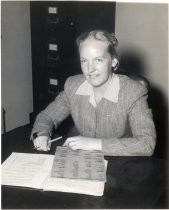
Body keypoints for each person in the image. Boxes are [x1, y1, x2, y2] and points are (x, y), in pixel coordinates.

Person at [31, 30, 156, 156]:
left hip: (121, 164)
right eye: (84, 61)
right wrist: (42, 134)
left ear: (113, 61)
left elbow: (147, 143)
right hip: (84, 161)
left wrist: (95, 144)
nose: (90, 69)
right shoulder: (73, 85)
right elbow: (47, 116)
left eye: (98, 60)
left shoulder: (133, 92)